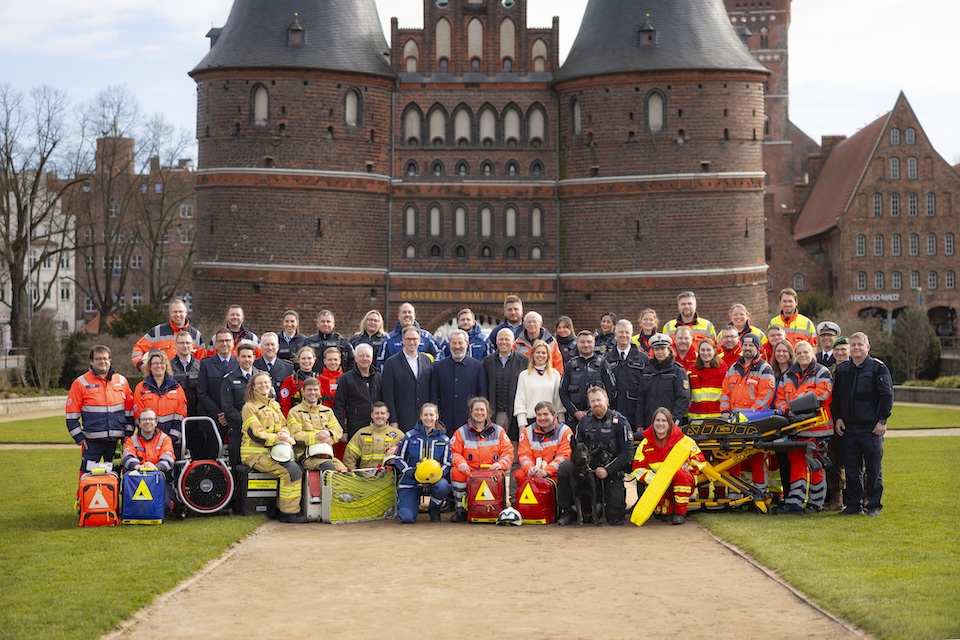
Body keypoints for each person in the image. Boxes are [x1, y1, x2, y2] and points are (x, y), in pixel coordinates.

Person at [832, 332, 893, 517]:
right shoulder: (842, 369)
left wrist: (882, 420)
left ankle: (873, 505)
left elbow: (887, 395)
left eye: (860, 344)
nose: (856, 347)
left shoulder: (878, 368)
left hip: (871, 428)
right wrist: (838, 418)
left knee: (873, 469)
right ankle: (853, 505)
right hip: (849, 428)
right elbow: (837, 397)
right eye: (854, 345)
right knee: (852, 469)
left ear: (868, 347)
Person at [557, 387, 633, 525]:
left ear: (607, 400)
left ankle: (611, 507)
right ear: (589, 404)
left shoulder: (620, 422)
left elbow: (627, 452)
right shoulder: (584, 422)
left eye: (599, 400)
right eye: (593, 401)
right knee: (564, 468)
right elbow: (577, 448)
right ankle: (567, 510)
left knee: (613, 517)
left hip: (611, 469)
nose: (596, 403)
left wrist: (607, 470)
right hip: (587, 467)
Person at [774, 341, 834, 515]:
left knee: (816, 466)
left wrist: (793, 405)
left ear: (812, 352)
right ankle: (795, 503)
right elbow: (779, 399)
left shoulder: (822, 372)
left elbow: (821, 395)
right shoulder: (788, 375)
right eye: (799, 352)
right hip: (796, 429)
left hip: (818, 429)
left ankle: (815, 503)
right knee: (797, 465)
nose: (802, 355)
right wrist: (787, 409)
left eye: (805, 352)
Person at [239, 371, 304, 523]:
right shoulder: (249, 407)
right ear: (253, 387)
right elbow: (256, 435)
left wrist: (285, 434)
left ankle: (284, 509)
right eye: (260, 383)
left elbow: (284, 425)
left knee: (296, 467)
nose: (264, 385)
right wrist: (279, 438)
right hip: (255, 455)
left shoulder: (274, 405)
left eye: (266, 382)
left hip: (275, 452)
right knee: (290, 471)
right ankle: (288, 513)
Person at [630, 407, 706, 525]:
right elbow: (638, 468)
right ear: (653, 423)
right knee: (661, 511)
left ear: (670, 423)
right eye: (658, 421)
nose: (660, 424)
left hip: (681, 482)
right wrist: (656, 479)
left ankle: (680, 513)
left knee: (682, 475)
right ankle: (668, 511)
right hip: (659, 485)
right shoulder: (645, 444)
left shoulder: (684, 441)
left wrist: (686, 468)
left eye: (664, 421)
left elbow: (699, 461)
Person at [720, 333, 776, 494]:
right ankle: (734, 492)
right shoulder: (733, 368)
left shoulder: (765, 369)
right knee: (733, 455)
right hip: (733, 421)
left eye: (751, 346)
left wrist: (750, 415)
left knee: (756, 456)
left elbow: (765, 396)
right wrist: (724, 411)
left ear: (758, 348)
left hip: (755, 421)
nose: (748, 348)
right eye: (745, 345)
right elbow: (725, 392)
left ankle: (760, 490)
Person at [66, 345, 135, 472]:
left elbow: (130, 412)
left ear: (110, 360)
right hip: (92, 443)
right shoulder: (80, 383)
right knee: (88, 477)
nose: (102, 362)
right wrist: (79, 438)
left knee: (116, 477)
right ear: (91, 361)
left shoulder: (121, 381)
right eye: (98, 359)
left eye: (105, 358)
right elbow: (71, 415)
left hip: (117, 442)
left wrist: (128, 434)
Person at [449, 397, 514, 522]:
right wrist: (461, 463)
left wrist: (500, 464)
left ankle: (498, 508)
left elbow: (508, 452)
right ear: (471, 412)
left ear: (487, 412)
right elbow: (454, 452)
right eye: (476, 410)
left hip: (492, 471)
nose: (479, 413)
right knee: (456, 472)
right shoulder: (461, 432)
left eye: (482, 410)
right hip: (470, 470)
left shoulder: (499, 431)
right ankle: (461, 510)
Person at [391, 403, 452, 523]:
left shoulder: (444, 440)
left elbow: (447, 463)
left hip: (434, 480)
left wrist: (435, 475)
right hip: (411, 480)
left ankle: (434, 508)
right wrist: (411, 472)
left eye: (431, 415)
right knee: (406, 518)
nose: (428, 418)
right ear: (421, 416)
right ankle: (408, 504)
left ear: (437, 416)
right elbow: (398, 458)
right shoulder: (409, 436)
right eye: (425, 415)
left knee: (444, 486)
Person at [431, 329, 487, 436]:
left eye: (460, 343)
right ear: (449, 344)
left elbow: (482, 394)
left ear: (467, 343)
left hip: (470, 421)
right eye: (454, 343)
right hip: (444, 421)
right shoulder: (439, 367)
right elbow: (434, 393)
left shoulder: (477, 367)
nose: (457, 346)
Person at [286, 376, 346, 472]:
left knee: (347, 474)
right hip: (306, 457)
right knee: (328, 467)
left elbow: (338, 431)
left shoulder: (327, 411)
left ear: (320, 391)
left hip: (327, 456)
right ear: (303, 392)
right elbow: (295, 435)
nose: (313, 393)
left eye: (315, 390)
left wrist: (329, 433)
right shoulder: (295, 412)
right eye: (309, 390)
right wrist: (318, 437)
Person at [382, 325, 435, 432]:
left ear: (419, 340)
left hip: (424, 420)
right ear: (403, 340)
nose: (412, 342)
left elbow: (430, 390)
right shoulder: (391, 363)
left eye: (415, 339)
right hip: (402, 419)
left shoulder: (426, 360)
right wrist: (393, 420)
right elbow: (388, 394)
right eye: (408, 339)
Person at [559, 331, 616, 427]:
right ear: (577, 344)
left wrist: (593, 410)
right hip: (574, 419)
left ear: (594, 344)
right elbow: (563, 392)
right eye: (582, 342)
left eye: (589, 342)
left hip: (598, 418)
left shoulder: (603, 364)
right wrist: (575, 412)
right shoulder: (570, 365)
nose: (586, 345)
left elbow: (611, 391)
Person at [122, 408, 176, 509]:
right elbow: (127, 457)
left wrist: (156, 467)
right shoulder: (131, 440)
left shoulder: (165, 439)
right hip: (137, 480)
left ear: (156, 422)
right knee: (136, 506)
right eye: (144, 419)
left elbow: (169, 459)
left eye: (151, 419)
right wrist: (138, 467)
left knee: (166, 505)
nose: (148, 422)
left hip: (159, 480)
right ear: (139, 423)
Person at [195, 329, 237, 459]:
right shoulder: (206, 364)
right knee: (211, 456)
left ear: (233, 343)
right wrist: (218, 414)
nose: (224, 344)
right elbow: (202, 392)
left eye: (227, 340)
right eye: (221, 341)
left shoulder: (239, 363)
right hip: (212, 417)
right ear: (216, 344)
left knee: (234, 456)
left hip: (234, 418)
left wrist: (229, 414)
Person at [636, 333, 690, 431]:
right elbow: (641, 400)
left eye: (663, 349)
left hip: (670, 425)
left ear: (669, 350)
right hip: (650, 424)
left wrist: (673, 421)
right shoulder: (647, 371)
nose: (660, 352)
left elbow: (683, 399)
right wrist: (639, 424)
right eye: (657, 349)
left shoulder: (678, 371)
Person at [514, 401, 572, 490]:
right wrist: (529, 468)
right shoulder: (527, 431)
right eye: (539, 415)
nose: (542, 418)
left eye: (545, 414)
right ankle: (517, 502)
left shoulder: (564, 431)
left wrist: (547, 471)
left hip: (555, 473)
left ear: (554, 415)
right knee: (518, 474)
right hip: (533, 472)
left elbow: (564, 456)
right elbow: (523, 455)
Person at [483, 327, 529, 439]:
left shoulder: (523, 361)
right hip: (495, 412)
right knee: (494, 443)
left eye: (507, 339)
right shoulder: (487, 361)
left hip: (515, 413)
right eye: (501, 339)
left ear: (513, 341)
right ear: (496, 341)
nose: (504, 342)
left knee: (514, 446)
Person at [133, 351, 187, 447]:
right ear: (150, 366)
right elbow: (139, 415)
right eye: (155, 363)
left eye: (162, 363)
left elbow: (181, 415)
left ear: (166, 366)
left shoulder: (177, 388)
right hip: (148, 441)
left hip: (173, 441)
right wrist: (153, 437)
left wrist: (170, 439)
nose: (159, 366)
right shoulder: (140, 388)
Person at [130, 298, 203, 369]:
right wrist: (140, 365)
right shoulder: (157, 332)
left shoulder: (196, 335)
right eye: (175, 312)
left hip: (189, 379)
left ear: (186, 313)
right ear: (170, 313)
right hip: (163, 378)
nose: (178, 315)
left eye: (180, 311)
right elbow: (138, 348)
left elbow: (202, 361)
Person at [604, 319, 650, 429]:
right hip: (612, 414)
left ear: (631, 334)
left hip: (636, 416)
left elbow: (648, 390)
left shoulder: (643, 359)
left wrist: (641, 422)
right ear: (615, 334)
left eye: (627, 332)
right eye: (621, 332)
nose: (624, 335)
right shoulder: (606, 359)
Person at [332, 343, 383, 442]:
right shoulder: (346, 379)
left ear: (372, 358)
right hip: (355, 427)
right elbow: (339, 406)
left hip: (377, 425)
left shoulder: (379, 377)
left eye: (367, 356)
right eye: (361, 356)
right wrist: (343, 429)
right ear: (355, 358)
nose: (365, 359)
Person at [221, 343, 261, 467]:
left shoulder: (262, 378)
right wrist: (247, 421)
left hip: (260, 429)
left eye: (249, 356)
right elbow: (227, 408)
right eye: (243, 356)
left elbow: (270, 401)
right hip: (238, 429)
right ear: (237, 358)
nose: (247, 360)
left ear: (254, 357)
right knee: (237, 464)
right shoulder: (229, 379)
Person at [823, 335, 850, 510]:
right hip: (833, 423)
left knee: (856, 463)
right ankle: (836, 499)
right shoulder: (829, 371)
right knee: (833, 462)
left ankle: (857, 498)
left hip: (852, 422)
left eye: (843, 350)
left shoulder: (856, 369)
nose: (840, 353)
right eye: (837, 350)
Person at [514, 340, 565, 428]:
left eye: (543, 353)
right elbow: (520, 402)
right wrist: (522, 425)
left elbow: (558, 401)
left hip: (551, 422)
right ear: (533, 354)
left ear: (548, 355)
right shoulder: (524, 375)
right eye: (538, 352)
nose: (540, 355)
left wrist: (561, 422)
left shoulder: (555, 374)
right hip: (530, 421)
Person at [378, 302, 442, 368]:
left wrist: (432, 369)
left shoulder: (426, 337)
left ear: (414, 316)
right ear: (399, 316)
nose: (407, 315)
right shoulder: (389, 339)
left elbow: (440, 352)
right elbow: (381, 361)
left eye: (409, 312)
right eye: (404, 312)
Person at [342, 402, 403, 470]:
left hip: (390, 479)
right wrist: (354, 477)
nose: (379, 416)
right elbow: (349, 458)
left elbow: (408, 457)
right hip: (366, 479)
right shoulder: (361, 434)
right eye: (376, 413)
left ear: (388, 415)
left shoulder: (398, 435)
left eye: (382, 413)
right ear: (372, 415)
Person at [687, 338, 728, 422]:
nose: (705, 353)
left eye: (708, 350)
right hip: (696, 418)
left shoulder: (724, 371)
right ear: (698, 352)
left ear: (714, 351)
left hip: (717, 417)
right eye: (702, 350)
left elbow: (727, 394)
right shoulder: (691, 372)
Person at [279, 346, 318, 416]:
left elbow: (327, 404)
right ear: (298, 360)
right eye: (303, 358)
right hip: (296, 419)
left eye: (309, 358)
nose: (306, 361)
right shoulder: (289, 381)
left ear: (314, 359)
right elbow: (284, 405)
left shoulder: (323, 380)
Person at [170, 331, 201, 417]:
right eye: (181, 343)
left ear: (192, 345)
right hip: (175, 414)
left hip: (198, 415)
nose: (185, 346)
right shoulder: (167, 367)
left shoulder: (201, 366)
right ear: (175, 345)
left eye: (187, 343)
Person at [255, 332, 294, 398]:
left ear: (278, 347)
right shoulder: (254, 366)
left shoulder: (288, 368)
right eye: (267, 344)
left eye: (272, 344)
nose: (270, 348)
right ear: (261, 347)